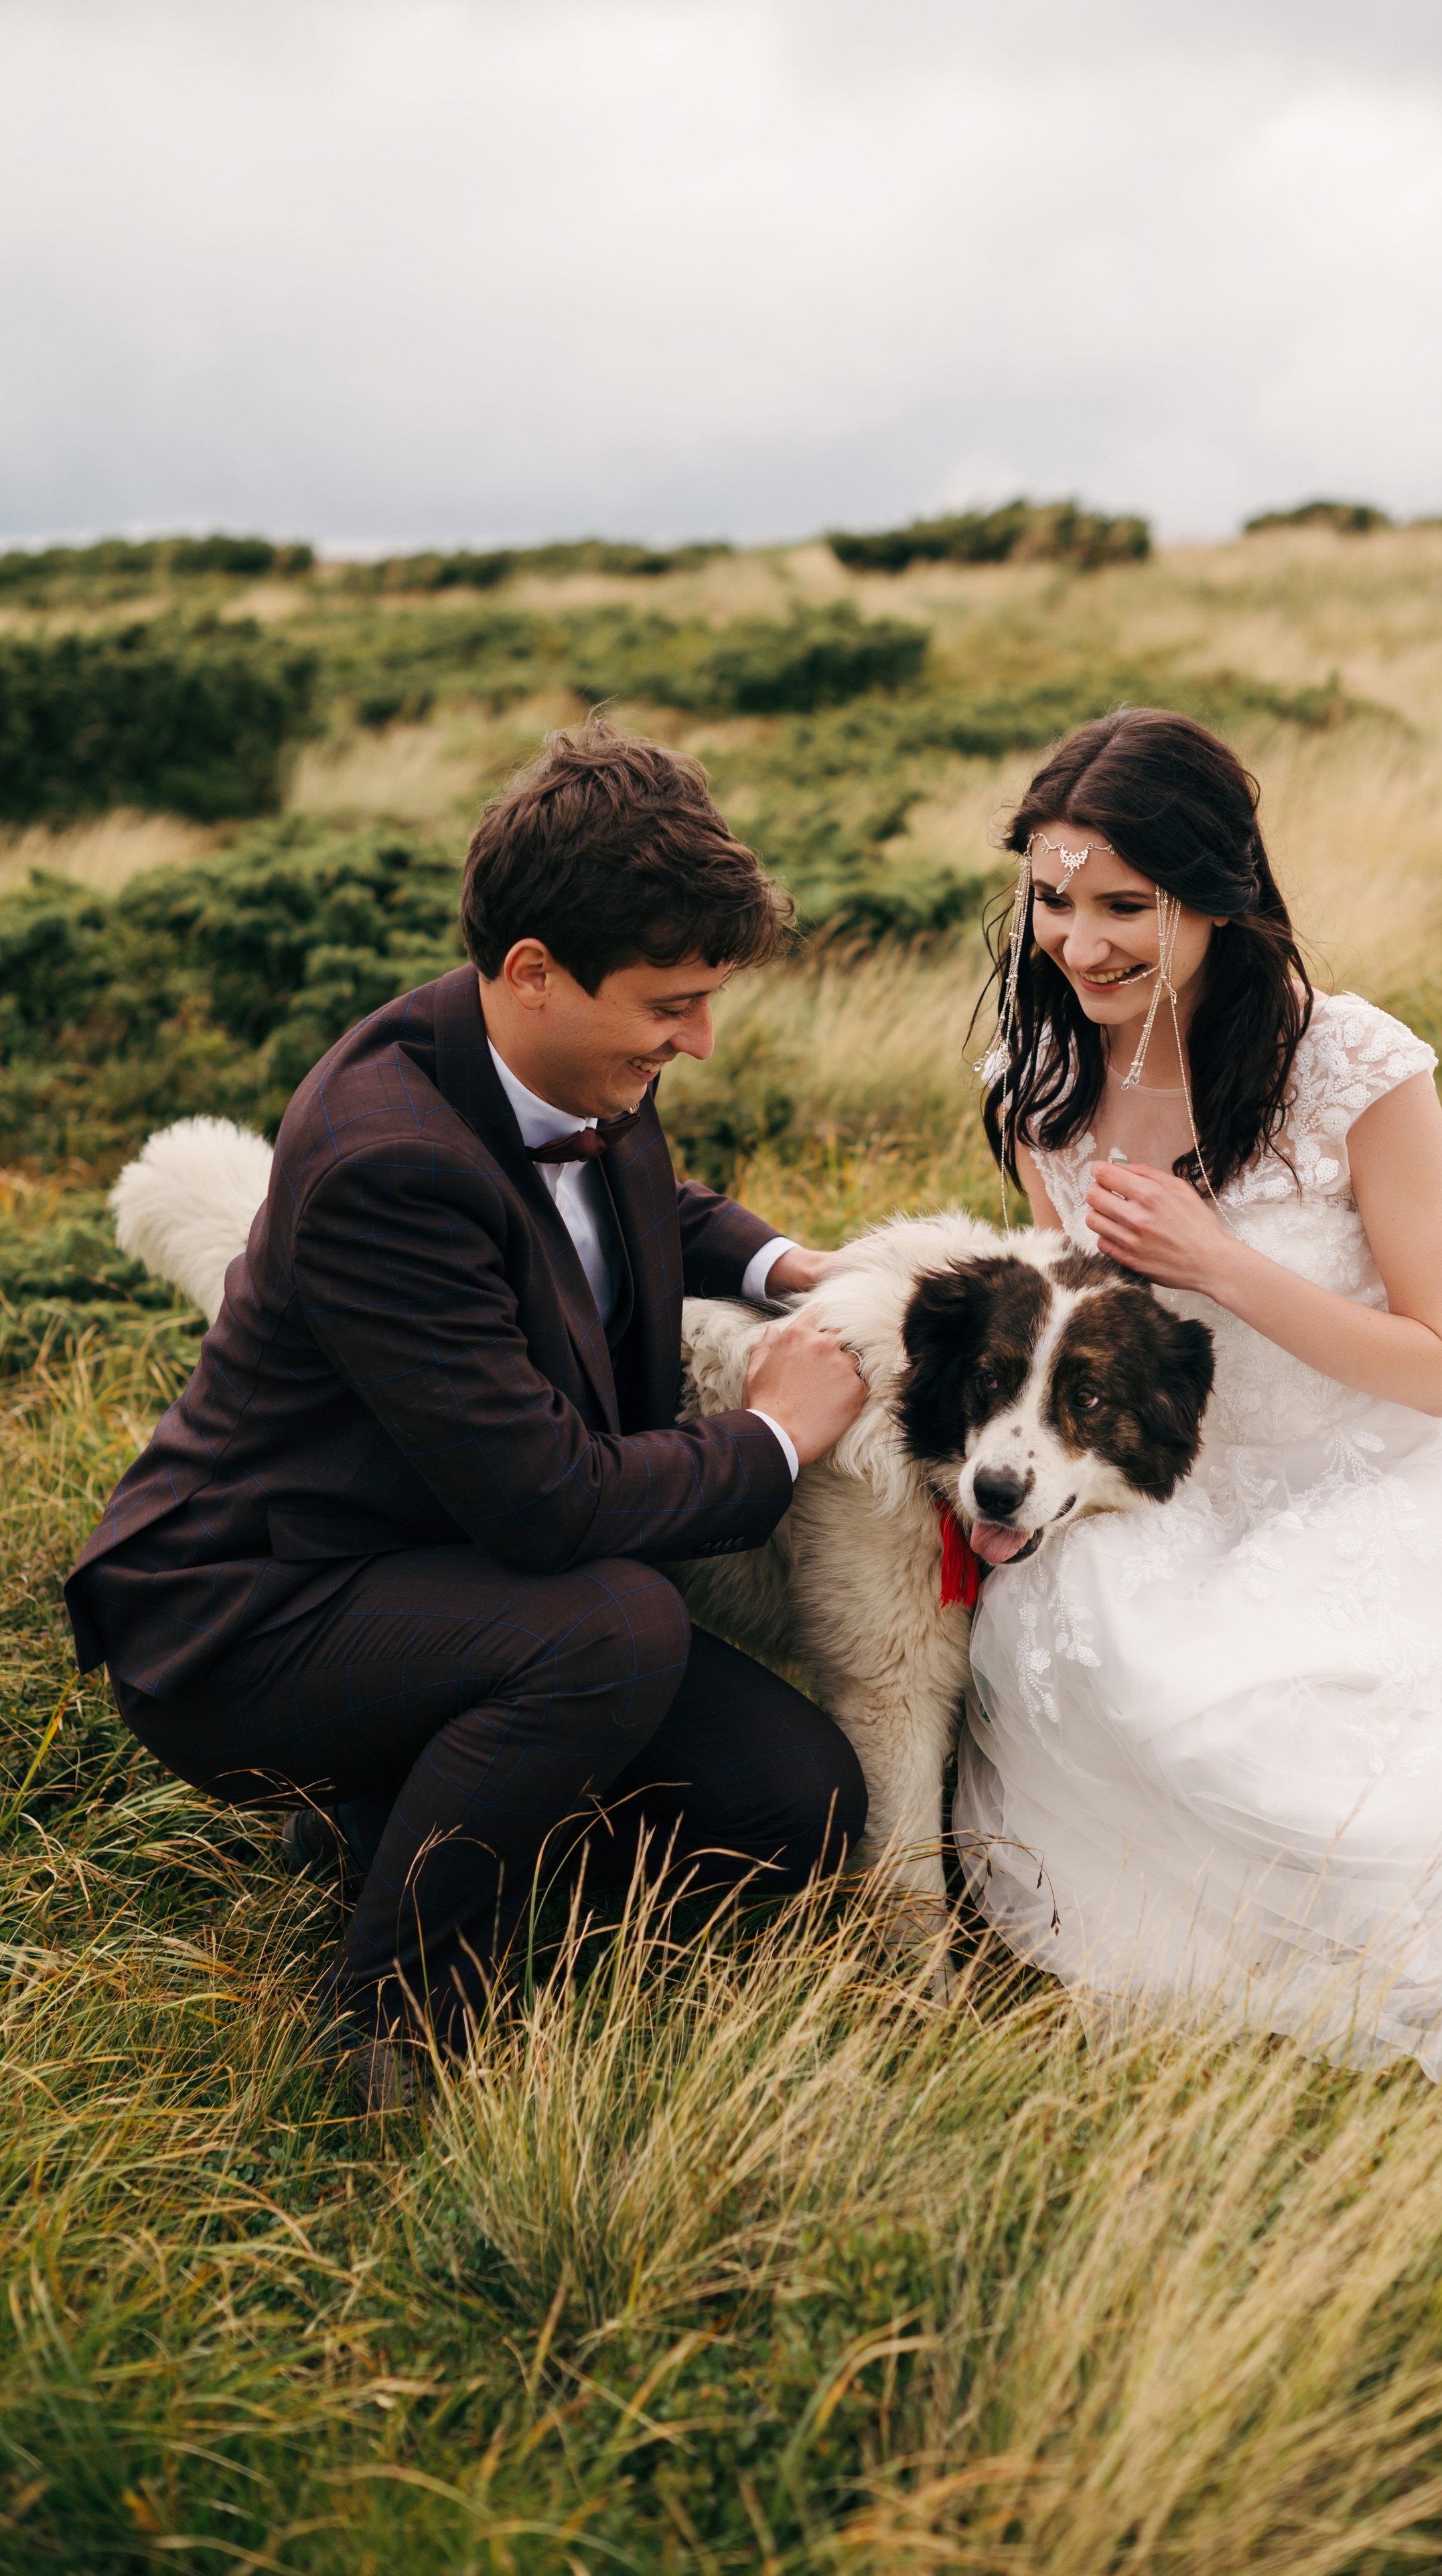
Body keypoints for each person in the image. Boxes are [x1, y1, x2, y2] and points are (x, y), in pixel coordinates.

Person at [64, 721, 869, 2107]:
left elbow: (626, 1205)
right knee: (617, 1626)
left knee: (798, 1805)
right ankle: (390, 2019)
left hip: (443, 1572)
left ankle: (402, 1818)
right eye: (671, 1004)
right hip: (257, 1613)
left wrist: (773, 1263)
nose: (701, 1037)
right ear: (532, 973)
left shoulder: (560, 1059)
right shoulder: (390, 1159)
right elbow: (550, 1505)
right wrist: (772, 1437)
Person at [954, 706, 1442, 2092]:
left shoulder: (1349, 1066)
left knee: (1311, 1761)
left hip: (1381, 1471)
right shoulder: (1043, 1083)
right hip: (1175, 1487)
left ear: (1220, 900)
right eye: (1052, 901)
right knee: (1090, 1659)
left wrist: (1219, 1267)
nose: (1078, 944)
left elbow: (1437, 1364)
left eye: (1126, 905)